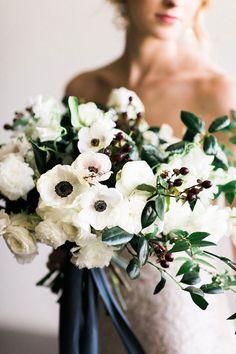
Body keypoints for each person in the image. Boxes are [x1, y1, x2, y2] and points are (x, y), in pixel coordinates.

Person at [62, 1, 236, 353]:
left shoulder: (215, 91)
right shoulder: (84, 88)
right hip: (99, 297)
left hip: (181, 304)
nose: (174, 2)